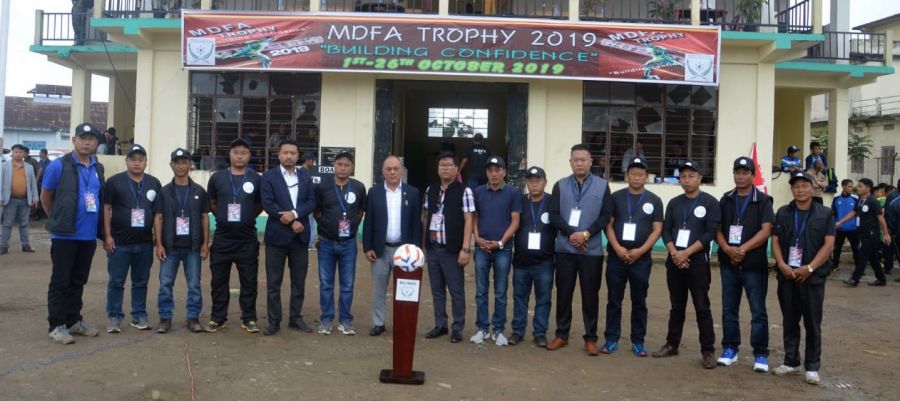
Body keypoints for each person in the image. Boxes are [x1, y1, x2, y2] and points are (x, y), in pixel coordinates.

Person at [41, 122, 106, 344]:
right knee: (61, 281)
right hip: (65, 236)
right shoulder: (58, 166)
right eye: (83, 138)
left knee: (78, 281)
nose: (87, 142)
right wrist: (57, 219)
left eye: (91, 139)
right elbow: (46, 196)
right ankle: (56, 325)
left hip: (88, 236)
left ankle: (73, 321)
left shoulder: (98, 168)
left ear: (96, 143)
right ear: (74, 140)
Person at [652, 160, 720, 369]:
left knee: (702, 307)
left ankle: (707, 351)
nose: (686, 180)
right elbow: (666, 231)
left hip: (697, 262)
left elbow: (710, 233)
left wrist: (687, 253)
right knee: (676, 306)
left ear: (700, 178)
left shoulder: (710, 202)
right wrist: (675, 253)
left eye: (691, 176)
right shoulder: (674, 203)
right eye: (683, 177)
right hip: (675, 261)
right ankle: (672, 344)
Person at [546, 144, 612, 356]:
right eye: (576, 160)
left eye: (584, 159)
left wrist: (585, 234)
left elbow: (605, 216)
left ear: (591, 162)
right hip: (565, 249)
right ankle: (562, 335)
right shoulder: (560, 185)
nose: (580, 163)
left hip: (591, 251)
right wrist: (572, 234)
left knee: (590, 295)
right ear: (570, 162)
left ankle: (591, 338)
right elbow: (554, 214)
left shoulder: (602, 186)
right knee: (563, 293)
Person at [771, 171, 835, 385]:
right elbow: (776, 240)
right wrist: (782, 264)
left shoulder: (825, 213)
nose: (800, 190)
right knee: (789, 320)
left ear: (812, 188)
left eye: (804, 186)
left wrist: (810, 268)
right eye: (796, 186)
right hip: (787, 275)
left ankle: (812, 367)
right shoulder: (783, 212)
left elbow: (829, 244)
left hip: (812, 278)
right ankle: (791, 362)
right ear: (792, 189)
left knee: (812, 323)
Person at [714, 157, 775, 372]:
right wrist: (727, 248)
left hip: (753, 265)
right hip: (728, 263)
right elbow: (717, 229)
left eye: (745, 173)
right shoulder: (726, 199)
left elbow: (766, 230)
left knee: (757, 310)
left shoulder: (764, 200)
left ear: (753, 175)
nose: (741, 177)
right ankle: (730, 349)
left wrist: (742, 249)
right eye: (737, 172)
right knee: (729, 308)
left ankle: (760, 353)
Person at [601, 157, 663, 357]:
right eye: (633, 174)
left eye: (641, 174)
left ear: (646, 177)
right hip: (616, 257)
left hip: (641, 259)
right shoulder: (616, 197)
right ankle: (611, 338)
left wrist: (640, 251)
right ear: (627, 175)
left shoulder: (654, 200)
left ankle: (638, 341)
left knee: (639, 301)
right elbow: (608, 225)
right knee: (614, 299)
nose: (637, 177)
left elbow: (657, 229)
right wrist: (617, 248)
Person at [205, 138, 263, 333]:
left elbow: (260, 204)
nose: (239, 156)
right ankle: (217, 318)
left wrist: (246, 217)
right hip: (222, 239)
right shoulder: (217, 178)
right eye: (236, 152)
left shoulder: (256, 179)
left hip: (247, 240)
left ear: (249, 156)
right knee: (218, 282)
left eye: (244, 153)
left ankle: (249, 318)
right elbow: (212, 203)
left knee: (249, 281)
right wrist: (223, 217)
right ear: (229, 154)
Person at [102, 144, 162, 333]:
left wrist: (158, 241)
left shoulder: (154, 183)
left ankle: (139, 315)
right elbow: (106, 209)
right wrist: (107, 236)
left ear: (146, 162)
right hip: (119, 243)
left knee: (141, 282)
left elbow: (158, 215)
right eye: (133, 159)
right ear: (126, 161)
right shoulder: (114, 182)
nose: (137, 163)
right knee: (116, 282)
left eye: (140, 160)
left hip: (144, 244)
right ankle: (114, 316)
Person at [260, 139, 316, 335]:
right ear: (279, 155)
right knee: (274, 282)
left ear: (298, 155)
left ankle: (295, 318)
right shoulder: (269, 177)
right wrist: (291, 220)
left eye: (293, 153)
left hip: (300, 237)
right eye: (285, 152)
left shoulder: (305, 176)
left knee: (298, 281)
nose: (289, 156)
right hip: (277, 237)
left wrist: (295, 214)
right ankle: (274, 321)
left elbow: (311, 202)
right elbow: (268, 203)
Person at [362, 156, 422, 336]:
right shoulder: (374, 192)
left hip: (404, 251)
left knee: (405, 289)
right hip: (380, 250)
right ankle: (378, 323)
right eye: (388, 169)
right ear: (383, 171)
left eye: (396, 168)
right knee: (379, 289)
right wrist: (367, 247)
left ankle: (403, 323)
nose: (392, 172)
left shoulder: (412, 193)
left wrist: (416, 251)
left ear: (401, 170)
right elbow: (369, 222)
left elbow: (416, 224)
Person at [154, 148, 210, 334]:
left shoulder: (199, 191)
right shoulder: (164, 192)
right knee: (165, 284)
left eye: (184, 162)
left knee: (194, 285)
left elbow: (204, 218)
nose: (180, 166)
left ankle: (193, 318)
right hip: (170, 247)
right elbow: (159, 218)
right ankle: (165, 319)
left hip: (193, 247)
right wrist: (159, 244)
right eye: (176, 163)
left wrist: (205, 243)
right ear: (171, 165)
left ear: (190, 165)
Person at [423, 152, 475, 343]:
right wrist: (424, 245)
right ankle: (440, 324)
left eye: (449, 165)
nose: (445, 168)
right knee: (437, 290)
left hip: (452, 250)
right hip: (433, 249)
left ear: (456, 168)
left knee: (456, 290)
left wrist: (465, 248)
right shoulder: (431, 189)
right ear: (438, 169)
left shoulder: (464, 191)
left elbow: (469, 220)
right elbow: (426, 217)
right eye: (442, 165)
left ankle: (457, 327)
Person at [470, 156, 521, 346]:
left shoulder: (513, 192)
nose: (494, 174)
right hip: (481, 248)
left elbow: (515, 221)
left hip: (503, 250)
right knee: (481, 291)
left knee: (500, 291)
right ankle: (482, 328)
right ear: (486, 173)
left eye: (497, 170)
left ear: (504, 172)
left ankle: (498, 329)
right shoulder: (478, 192)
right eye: (490, 170)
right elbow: (474, 217)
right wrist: (477, 238)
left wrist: (501, 242)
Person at [314, 152, 367, 335]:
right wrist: (325, 226)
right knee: (326, 283)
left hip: (348, 244)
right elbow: (317, 211)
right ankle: (326, 320)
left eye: (347, 165)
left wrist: (353, 226)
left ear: (352, 168)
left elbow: (360, 211)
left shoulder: (359, 187)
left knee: (347, 284)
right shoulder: (323, 187)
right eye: (339, 164)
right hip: (326, 243)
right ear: (334, 166)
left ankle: (345, 321)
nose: (343, 168)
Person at [510, 166, 556, 348]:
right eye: (531, 180)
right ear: (526, 183)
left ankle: (540, 333)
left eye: (538, 180)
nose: (534, 184)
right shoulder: (519, 202)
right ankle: (517, 332)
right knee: (519, 298)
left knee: (543, 299)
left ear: (545, 182)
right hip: (521, 262)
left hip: (545, 262)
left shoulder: (553, 202)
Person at [838, 178, 890, 287]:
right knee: (873, 258)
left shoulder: (873, 201)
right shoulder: (860, 200)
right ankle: (881, 279)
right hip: (863, 233)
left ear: (868, 188)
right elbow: (853, 212)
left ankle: (854, 279)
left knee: (862, 255)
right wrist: (840, 222)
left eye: (860, 186)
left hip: (871, 234)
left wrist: (886, 234)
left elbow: (881, 218)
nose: (857, 188)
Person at [1, 144, 39, 255]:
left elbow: (33, 184)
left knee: (24, 224)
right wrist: (1, 197)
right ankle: (3, 246)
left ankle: (25, 245)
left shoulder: (29, 167)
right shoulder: (4, 166)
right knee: (7, 224)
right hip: (10, 200)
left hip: (25, 200)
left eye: (20, 152)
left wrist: (35, 198)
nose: (18, 154)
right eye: (16, 152)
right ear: (12, 153)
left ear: (24, 154)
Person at [831, 179, 859, 272]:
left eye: (852, 186)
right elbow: (833, 213)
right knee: (837, 249)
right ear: (843, 186)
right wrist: (834, 225)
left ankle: (859, 268)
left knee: (856, 249)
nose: (851, 188)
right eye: (849, 186)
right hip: (839, 229)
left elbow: (858, 213)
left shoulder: (855, 198)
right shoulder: (836, 198)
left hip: (853, 229)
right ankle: (834, 266)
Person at [300, 151, 318, 250]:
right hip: (306, 203)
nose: (314, 163)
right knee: (310, 224)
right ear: (308, 160)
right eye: (313, 161)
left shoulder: (304, 172)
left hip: (307, 203)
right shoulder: (303, 172)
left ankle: (308, 243)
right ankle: (309, 244)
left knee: (310, 224)